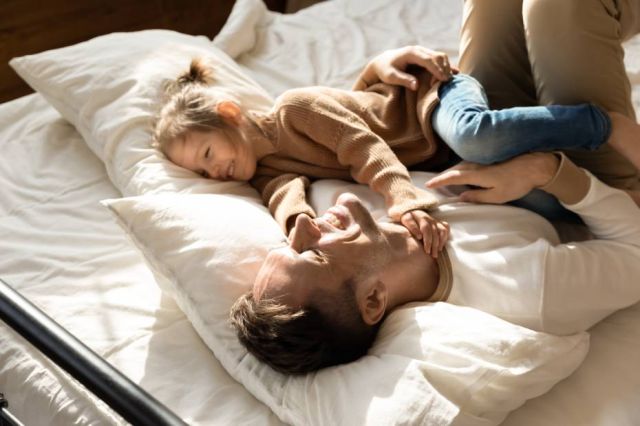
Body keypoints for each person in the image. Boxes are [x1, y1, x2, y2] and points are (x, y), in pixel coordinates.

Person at [154, 53, 640, 250]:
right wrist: (297, 225)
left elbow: (361, 146)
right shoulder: (267, 169)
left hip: (431, 104)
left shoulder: (295, 108)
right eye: (202, 171)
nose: (215, 172)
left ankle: (600, 125)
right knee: (522, 200)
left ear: (229, 113)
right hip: (439, 158)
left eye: (208, 153)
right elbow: (283, 193)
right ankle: (613, 194)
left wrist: (405, 200)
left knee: (474, 137)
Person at [229, 152, 640, 374]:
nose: (302, 224)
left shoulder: (330, 201)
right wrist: (547, 170)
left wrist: (376, 73)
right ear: (372, 300)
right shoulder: (526, 288)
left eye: (288, 241)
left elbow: (280, 159)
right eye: (313, 253)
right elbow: (635, 253)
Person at [354, 0, 640, 210]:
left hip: (482, 139)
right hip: (593, 189)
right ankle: (605, 133)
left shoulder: (315, 177)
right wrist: (545, 170)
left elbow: (348, 115)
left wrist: (372, 73)